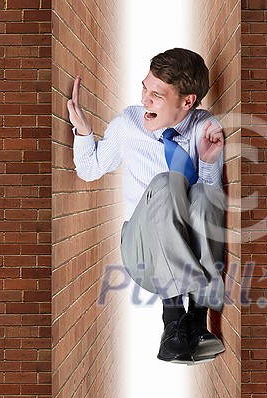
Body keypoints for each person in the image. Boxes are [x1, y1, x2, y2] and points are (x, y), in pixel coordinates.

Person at [68, 48, 226, 364]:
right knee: (168, 183)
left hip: (187, 244)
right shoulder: (129, 123)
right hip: (142, 251)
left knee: (203, 195)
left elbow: (208, 205)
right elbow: (90, 168)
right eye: (145, 87)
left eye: (156, 95)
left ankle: (194, 323)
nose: (144, 100)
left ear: (187, 102)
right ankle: (172, 317)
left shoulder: (203, 127)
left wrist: (208, 162)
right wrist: (84, 132)